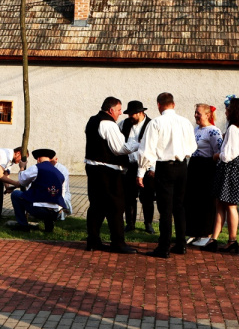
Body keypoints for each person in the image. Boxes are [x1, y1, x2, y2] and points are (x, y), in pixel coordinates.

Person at [138, 93, 197, 259]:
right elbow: (192, 146)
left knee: (165, 209)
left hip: (165, 167)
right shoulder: (185, 122)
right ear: (174, 104)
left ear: (158, 105)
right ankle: (181, 244)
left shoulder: (156, 123)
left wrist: (141, 172)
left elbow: (147, 150)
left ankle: (164, 247)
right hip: (182, 166)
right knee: (179, 207)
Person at [205, 96, 239, 253]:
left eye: (227, 109)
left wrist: (217, 155)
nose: (225, 112)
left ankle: (232, 240)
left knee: (229, 205)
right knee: (222, 203)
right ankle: (214, 239)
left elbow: (228, 154)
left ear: (233, 111)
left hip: (232, 167)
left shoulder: (233, 128)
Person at [84, 96, 139, 254]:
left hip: (93, 168)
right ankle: (118, 243)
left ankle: (93, 240)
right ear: (110, 110)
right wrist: (138, 144)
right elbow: (119, 149)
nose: (121, 113)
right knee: (116, 206)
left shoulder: (92, 120)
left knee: (97, 205)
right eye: (119, 110)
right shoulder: (108, 124)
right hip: (107, 171)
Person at [184, 104, 223, 246]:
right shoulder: (196, 129)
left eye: (198, 113)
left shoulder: (213, 131)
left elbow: (218, 152)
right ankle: (194, 232)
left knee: (205, 201)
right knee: (192, 200)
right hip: (194, 166)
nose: (195, 115)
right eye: (195, 112)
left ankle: (206, 233)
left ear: (207, 115)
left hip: (207, 167)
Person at [118, 100, 156, 234]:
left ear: (140, 113)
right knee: (129, 197)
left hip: (147, 167)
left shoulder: (151, 125)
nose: (129, 117)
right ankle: (130, 223)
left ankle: (148, 224)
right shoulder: (123, 124)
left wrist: (153, 169)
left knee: (147, 197)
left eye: (132, 114)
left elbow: (156, 148)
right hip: (129, 166)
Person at [10, 149, 66, 232]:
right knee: (49, 198)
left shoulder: (37, 168)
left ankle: (23, 225)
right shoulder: (59, 173)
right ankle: (49, 228)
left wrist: (22, 168)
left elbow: (22, 181)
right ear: (50, 159)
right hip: (55, 212)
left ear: (38, 159)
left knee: (15, 194)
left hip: (38, 210)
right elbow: (63, 193)